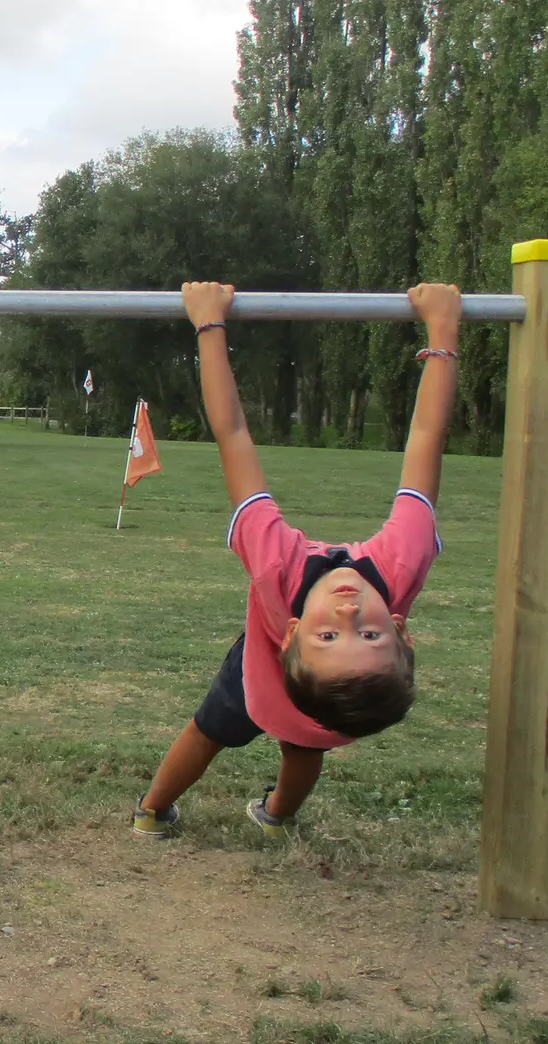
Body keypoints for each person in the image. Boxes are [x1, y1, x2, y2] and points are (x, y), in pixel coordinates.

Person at [133, 282, 461, 837]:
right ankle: (275, 817)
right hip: (315, 697)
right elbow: (428, 438)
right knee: (304, 743)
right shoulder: (402, 562)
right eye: (372, 637)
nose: (348, 618)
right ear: (402, 630)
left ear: (291, 636)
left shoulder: (275, 564)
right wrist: (443, 333)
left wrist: (209, 327)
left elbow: (232, 434)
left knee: (210, 731)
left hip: (258, 674)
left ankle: (150, 812)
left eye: (328, 638)